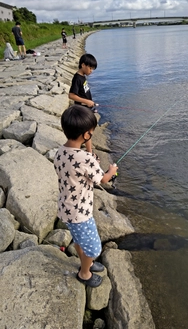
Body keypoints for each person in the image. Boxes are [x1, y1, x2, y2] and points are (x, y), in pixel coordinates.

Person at [54, 105, 118, 287]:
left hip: (66, 207)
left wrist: (89, 152)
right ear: (86, 135)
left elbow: (79, 168)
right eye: (91, 132)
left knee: (79, 241)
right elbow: (103, 180)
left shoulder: (60, 152)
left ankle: (85, 262)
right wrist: (112, 171)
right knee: (94, 248)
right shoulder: (86, 160)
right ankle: (84, 273)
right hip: (80, 213)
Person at [68, 53, 98, 153]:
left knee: (85, 131)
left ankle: (83, 150)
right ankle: (89, 152)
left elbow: (83, 93)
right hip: (82, 110)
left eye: (93, 69)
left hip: (86, 108)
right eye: (90, 68)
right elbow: (71, 95)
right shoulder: (77, 78)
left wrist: (90, 102)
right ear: (83, 65)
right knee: (87, 132)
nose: (91, 71)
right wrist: (86, 101)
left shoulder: (83, 76)